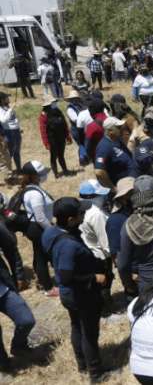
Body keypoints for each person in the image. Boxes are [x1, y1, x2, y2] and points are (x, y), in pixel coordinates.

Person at [42, 197, 108, 383]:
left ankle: (82, 364)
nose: (84, 215)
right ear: (70, 219)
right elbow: (65, 275)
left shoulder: (51, 232)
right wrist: (93, 277)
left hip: (68, 295)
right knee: (89, 332)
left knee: (76, 326)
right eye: (80, 213)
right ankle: (96, 373)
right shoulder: (68, 245)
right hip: (81, 294)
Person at [0, 201, 35, 371]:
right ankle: (4, 364)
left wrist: (18, 275)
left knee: (26, 320)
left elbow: (11, 249)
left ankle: (18, 345)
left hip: (3, 289)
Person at [17, 161, 57, 296]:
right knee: (41, 257)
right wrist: (51, 230)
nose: (44, 176)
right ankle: (48, 288)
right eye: (40, 174)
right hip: (39, 228)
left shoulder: (34, 187)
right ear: (33, 176)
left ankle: (42, 281)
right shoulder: (34, 194)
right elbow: (40, 217)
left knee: (40, 255)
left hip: (38, 227)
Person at [78, 180, 114, 314]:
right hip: (100, 255)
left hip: (88, 252)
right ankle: (106, 309)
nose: (103, 197)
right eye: (99, 195)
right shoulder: (96, 214)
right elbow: (105, 240)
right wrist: (114, 256)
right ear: (91, 197)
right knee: (105, 281)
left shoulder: (80, 207)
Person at [105, 177, 134, 298]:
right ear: (123, 198)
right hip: (135, 275)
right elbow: (117, 257)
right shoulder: (115, 221)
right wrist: (129, 282)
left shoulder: (137, 211)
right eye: (132, 193)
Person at [94, 117, 139, 189]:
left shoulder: (117, 139)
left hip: (134, 182)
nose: (122, 128)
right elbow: (99, 172)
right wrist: (113, 188)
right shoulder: (104, 147)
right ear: (110, 131)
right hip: (126, 188)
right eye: (119, 127)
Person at [38, 96, 72, 178]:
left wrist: (68, 136)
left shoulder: (58, 111)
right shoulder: (43, 115)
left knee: (61, 155)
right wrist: (46, 143)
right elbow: (43, 130)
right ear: (48, 104)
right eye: (53, 102)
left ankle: (65, 170)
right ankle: (56, 173)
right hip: (51, 139)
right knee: (53, 156)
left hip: (61, 137)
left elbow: (64, 124)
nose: (55, 103)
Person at [65, 90, 89, 166]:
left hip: (83, 127)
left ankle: (85, 158)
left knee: (85, 143)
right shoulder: (70, 109)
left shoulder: (81, 105)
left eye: (76, 98)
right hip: (76, 129)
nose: (75, 100)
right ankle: (82, 159)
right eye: (73, 99)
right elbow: (75, 119)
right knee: (81, 143)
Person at [0, 92, 22, 173]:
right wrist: (10, 109)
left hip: (16, 131)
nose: (8, 99)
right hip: (9, 132)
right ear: (2, 100)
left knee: (17, 151)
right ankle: (8, 171)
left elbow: (14, 118)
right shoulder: (1, 109)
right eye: (6, 97)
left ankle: (19, 169)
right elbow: (3, 120)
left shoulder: (7, 107)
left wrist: (19, 127)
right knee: (10, 153)